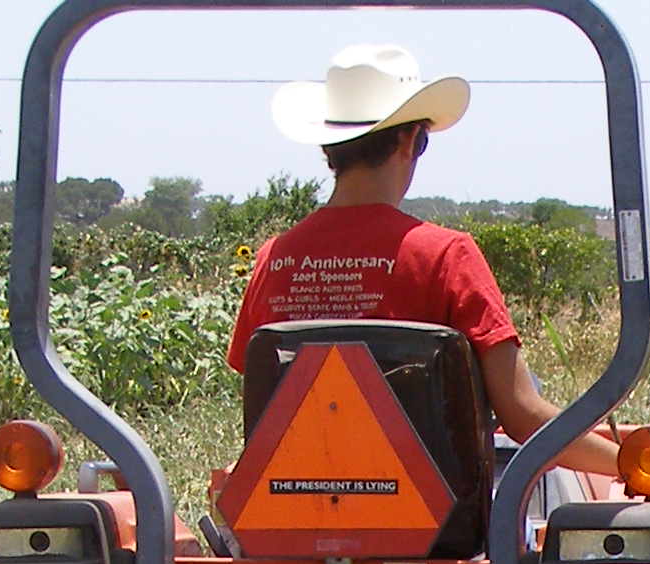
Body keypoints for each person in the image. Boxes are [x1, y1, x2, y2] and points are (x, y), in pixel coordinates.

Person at [232, 44, 622, 481]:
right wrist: (632, 464)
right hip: (431, 517)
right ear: (410, 140)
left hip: (287, 509)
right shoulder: (446, 257)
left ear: (328, 147)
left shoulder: (273, 260)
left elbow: (262, 402)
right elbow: (522, 414)